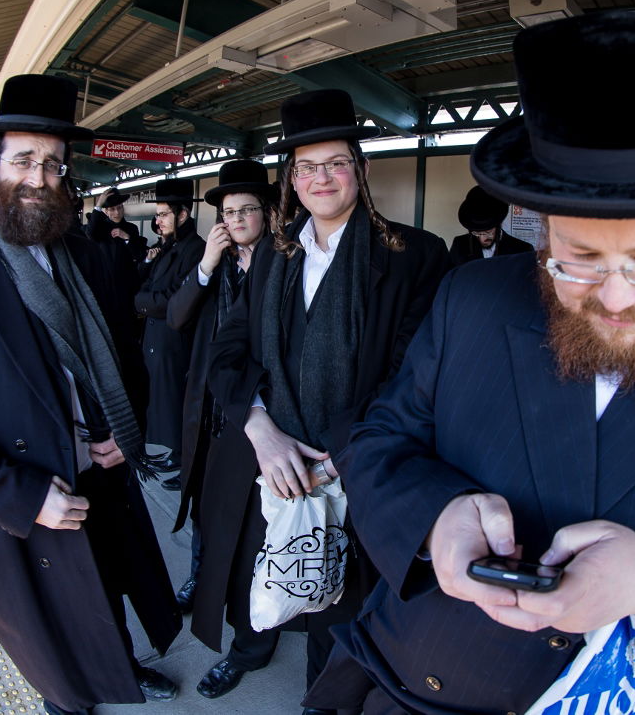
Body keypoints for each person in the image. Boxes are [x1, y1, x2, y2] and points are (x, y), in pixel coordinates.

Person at [301, 12, 635, 715]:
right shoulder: (472, 299)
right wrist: (434, 520)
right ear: (542, 233)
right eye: (578, 260)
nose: (611, 298)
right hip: (419, 682)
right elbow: (376, 440)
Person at [0, 74, 181, 715]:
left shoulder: (90, 256)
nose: (38, 177)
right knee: (51, 627)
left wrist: (117, 434)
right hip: (16, 491)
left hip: (95, 474)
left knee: (108, 585)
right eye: (23, 160)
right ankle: (70, 701)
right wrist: (20, 496)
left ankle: (122, 668)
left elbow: (122, 358)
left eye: (52, 164)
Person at [196, 89, 449, 709]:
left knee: (341, 607)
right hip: (270, 461)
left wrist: (342, 453)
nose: (321, 178)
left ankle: (325, 700)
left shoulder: (415, 255)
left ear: (360, 170)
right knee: (256, 579)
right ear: (291, 180)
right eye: (306, 167)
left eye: (336, 162)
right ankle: (246, 652)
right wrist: (260, 428)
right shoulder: (275, 257)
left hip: (356, 468)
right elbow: (227, 356)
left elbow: (415, 372)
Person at [167, 159, 276, 616]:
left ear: (268, 213)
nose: (236, 221)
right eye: (228, 213)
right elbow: (176, 317)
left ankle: (251, 602)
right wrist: (207, 263)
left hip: (260, 411)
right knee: (203, 505)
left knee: (252, 518)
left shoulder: (285, 260)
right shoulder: (215, 265)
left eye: (246, 210)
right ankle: (199, 577)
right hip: (211, 407)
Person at [134, 178, 206, 490]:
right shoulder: (169, 247)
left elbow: (174, 298)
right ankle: (177, 454)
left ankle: (187, 464)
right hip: (158, 340)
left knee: (179, 403)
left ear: (183, 215)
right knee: (167, 402)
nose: (157, 220)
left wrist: (142, 302)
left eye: (164, 214)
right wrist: (147, 298)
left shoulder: (196, 249)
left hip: (177, 342)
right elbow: (148, 287)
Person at [447, 184, 533, 266]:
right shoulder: (460, 244)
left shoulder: (522, 250)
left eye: (488, 232)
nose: (482, 238)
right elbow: (452, 277)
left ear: (498, 225)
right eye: (476, 233)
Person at [87, 187, 148, 278]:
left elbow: (138, 255)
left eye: (120, 207)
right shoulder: (100, 228)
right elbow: (90, 233)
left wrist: (127, 238)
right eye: (112, 209)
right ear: (106, 211)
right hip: (106, 278)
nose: (117, 212)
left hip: (127, 279)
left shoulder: (132, 228)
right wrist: (99, 204)